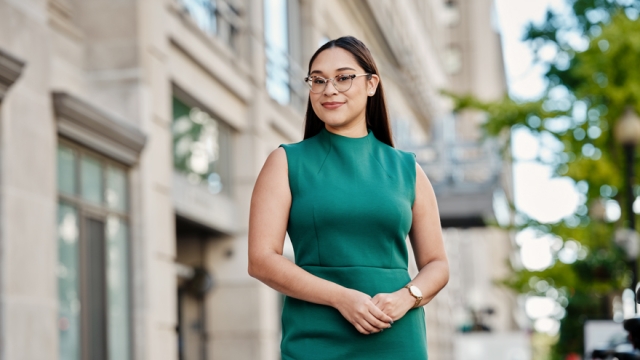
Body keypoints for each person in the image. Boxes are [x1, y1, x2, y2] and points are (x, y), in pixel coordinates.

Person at [248, 36, 449, 360]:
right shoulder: (286, 162)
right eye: (318, 80)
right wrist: (341, 298)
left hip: (397, 337)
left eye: (343, 77)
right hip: (315, 339)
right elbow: (261, 260)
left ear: (372, 84)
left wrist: (408, 296)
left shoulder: (408, 170)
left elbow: (437, 265)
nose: (329, 89)